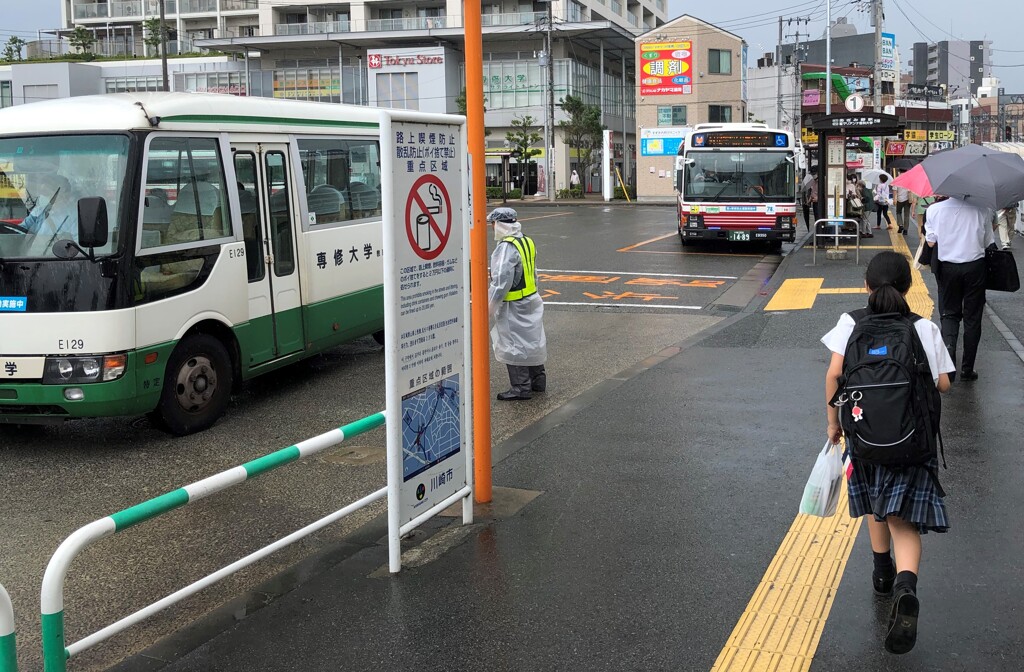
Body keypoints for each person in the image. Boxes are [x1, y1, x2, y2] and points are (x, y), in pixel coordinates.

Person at [823, 251, 954, 655]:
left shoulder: (851, 322)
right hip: (912, 440)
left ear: (865, 286)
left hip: (864, 439)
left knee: (876, 507)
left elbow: (834, 375)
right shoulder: (923, 327)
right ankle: (905, 586)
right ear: (909, 288)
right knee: (903, 520)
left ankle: (882, 573)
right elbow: (944, 383)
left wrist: (833, 425)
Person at [925, 196, 995, 381]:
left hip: (947, 267)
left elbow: (931, 241)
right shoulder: (983, 209)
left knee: (949, 314)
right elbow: (989, 242)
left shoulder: (935, 209)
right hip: (975, 268)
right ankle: (967, 369)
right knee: (973, 318)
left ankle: (949, 369)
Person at [486, 207, 547, 401]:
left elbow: (501, 280)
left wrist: (491, 304)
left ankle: (521, 388)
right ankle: (538, 380)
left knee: (513, 344)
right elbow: (534, 272)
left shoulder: (506, 247)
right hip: (531, 299)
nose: (492, 228)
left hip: (513, 304)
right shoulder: (526, 241)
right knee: (531, 341)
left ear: (500, 224)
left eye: (493, 224)